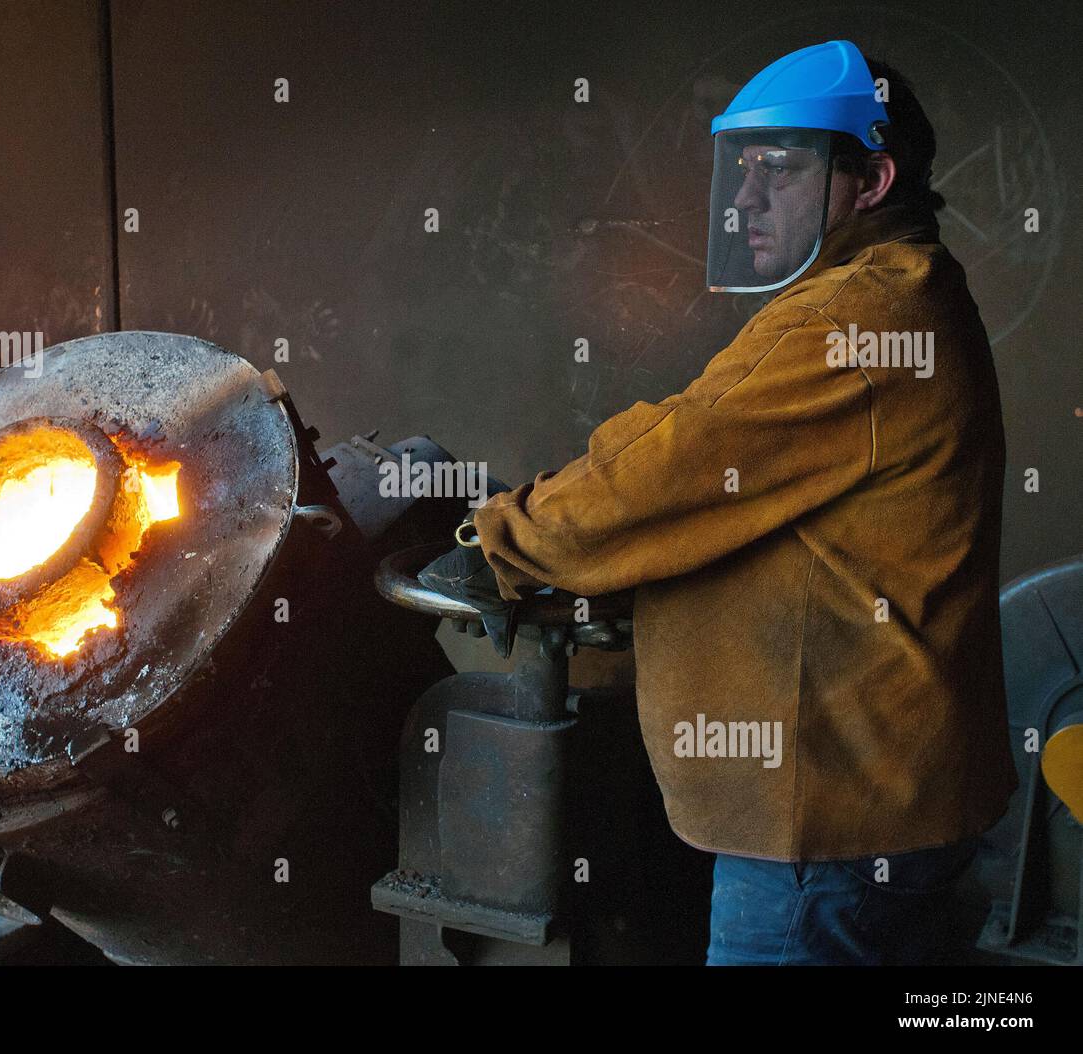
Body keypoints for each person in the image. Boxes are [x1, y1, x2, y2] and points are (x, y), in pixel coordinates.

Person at [418, 40, 1016, 965]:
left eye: (777, 173)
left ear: (872, 179)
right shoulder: (890, 295)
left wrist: (500, 540)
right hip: (877, 805)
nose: (744, 200)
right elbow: (709, 464)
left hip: (823, 826)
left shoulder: (853, 319)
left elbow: (670, 464)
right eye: (743, 173)